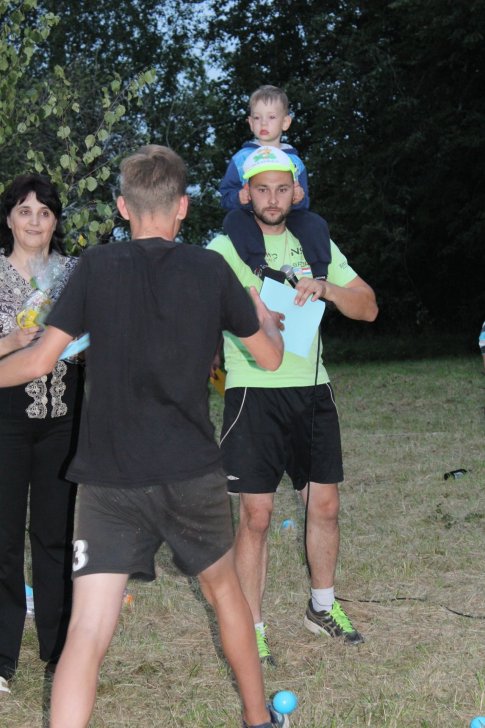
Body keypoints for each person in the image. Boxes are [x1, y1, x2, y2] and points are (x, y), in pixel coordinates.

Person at [0, 146, 289, 728]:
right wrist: (260, 316)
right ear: (182, 206)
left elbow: (37, 362)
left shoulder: (96, 266)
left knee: (87, 628)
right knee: (226, 596)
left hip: (108, 480)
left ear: (122, 207)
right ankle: (259, 720)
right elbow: (271, 358)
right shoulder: (212, 269)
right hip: (192, 473)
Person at [208, 147, 379, 665]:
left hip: (312, 388)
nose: (272, 198)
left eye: (282, 189)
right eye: (262, 189)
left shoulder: (317, 243)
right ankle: (252, 628)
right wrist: (250, 313)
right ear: (246, 194)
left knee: (324, 505)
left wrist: (326, 288)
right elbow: (202, 309)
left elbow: (368, 307)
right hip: (252, 391)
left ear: (297, 192)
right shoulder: (224, 246)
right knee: (256, 516)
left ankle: (322, 607)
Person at [0, 174, 82, 695]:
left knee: (56, 537)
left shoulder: (74, 273)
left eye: (45, 212)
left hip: (64, 419)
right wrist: (11, 341)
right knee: (3, 540)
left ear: (55, 221)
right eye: (25, 211)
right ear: (9, 218)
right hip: (4, 419)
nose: (35, 221)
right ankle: (1, 658)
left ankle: (59, 653)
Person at [220, 84, 331, 280]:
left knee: (315, 223)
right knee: (233, 219)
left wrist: (299, 198)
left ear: (285, 122)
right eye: (257, 118)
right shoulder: (240, 159)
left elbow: (304, 202)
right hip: (251, 216)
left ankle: (320, 275)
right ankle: (261, 268)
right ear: (250, 122)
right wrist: (238, 197)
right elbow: (225, 196)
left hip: (286, 216)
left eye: (271, 117)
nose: (263, 123)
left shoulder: (295, 162)